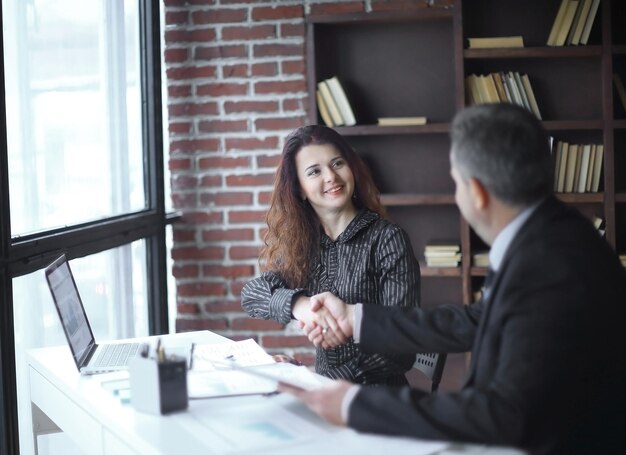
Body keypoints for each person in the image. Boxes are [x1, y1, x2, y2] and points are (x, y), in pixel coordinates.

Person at [280, 104, 626, 454]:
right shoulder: (549, 234)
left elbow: (506, 415)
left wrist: (355, 405)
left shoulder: (549, 263)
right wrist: (355, 318)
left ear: (476, 192)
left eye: (456, 183)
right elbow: (480, 319)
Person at [241, 124, 421, 385]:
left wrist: (317, 379)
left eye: (337, 164)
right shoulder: (304, 244)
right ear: (300, 188)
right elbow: (252, 294)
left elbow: (400, 350)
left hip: (378, 401)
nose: (331, 177)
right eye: (314, 171)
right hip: (325, 394)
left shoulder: (388, 239)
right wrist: (300, 306)